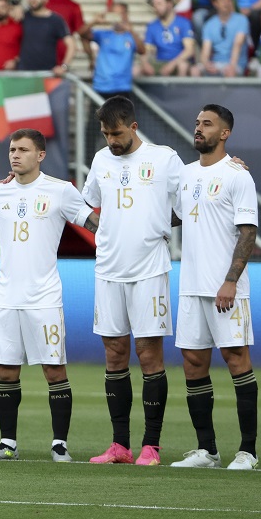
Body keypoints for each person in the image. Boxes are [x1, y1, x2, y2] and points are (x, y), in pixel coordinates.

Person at [0, 129, 98, 462]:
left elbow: (93, 222)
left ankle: (59, 445)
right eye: (12, 149)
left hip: (45, 297)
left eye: (23, 150)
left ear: (40, 155)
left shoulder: (60, 190)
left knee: (54, 370)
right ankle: (7, 444)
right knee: (6, 372)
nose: (15, 155)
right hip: (6, 297)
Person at [82, 96, 184, 466]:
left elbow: (192, 196)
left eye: (118, 133)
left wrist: (156, 223)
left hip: (150, 270)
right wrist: (106, 228)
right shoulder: (101, 160)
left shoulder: (164, 158)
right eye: (107, 134)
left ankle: (151, 446)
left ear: (134, 126)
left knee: (148, 354)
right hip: (108, 268)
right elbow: (89, 202)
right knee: (114, 354)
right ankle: (119, 445)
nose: (112, 140)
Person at [170, 104, 260, 470]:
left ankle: (248, 451)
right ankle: (207, 450)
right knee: (193, 363)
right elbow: (172, 216)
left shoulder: (238, 176)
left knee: (236, 360)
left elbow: (248, 231)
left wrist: (230, 281)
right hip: (190, 286)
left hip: (225, 287)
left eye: (207, 124)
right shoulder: (186, 175)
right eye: (197, 123)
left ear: (224, 134)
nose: (199, 128)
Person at [89, 3, 144, 97]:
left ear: (126, 15)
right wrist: (94, 21)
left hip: (122, 88)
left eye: (120, 13)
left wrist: (131, 30)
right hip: (101, 87)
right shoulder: (103, 34)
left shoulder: (131, 36)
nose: (117, 17)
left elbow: (142, 51)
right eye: (114, 14)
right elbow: (82, 33)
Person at [17, 0, 74, 73]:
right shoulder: (23, 17)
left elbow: (71, 45)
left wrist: (64, 67)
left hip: (47, 74)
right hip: (24, 74)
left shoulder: (56, 20)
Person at [198, 0, 250, 76]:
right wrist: (206, 64)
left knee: (230, 72)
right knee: (195, 70)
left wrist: (231, 66)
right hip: (216, 63)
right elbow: (205, 51)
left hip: (236, 63)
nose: (225, 3)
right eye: (221, 0)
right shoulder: (209, 24)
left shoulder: (242, 20)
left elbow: (237, 45)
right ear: (215, 3)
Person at [144, 0, 196, 76]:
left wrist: (172, 64)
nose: (156, 7)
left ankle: (179, 89)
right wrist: (145, 64)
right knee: (136, 69)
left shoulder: (184, 23)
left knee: (183, 66)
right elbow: (146, 50)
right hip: (160, 62)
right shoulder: (152, 26)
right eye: (154, 4)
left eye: (159, 4)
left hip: (179, 61)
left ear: (169, 4)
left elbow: (189, 50)